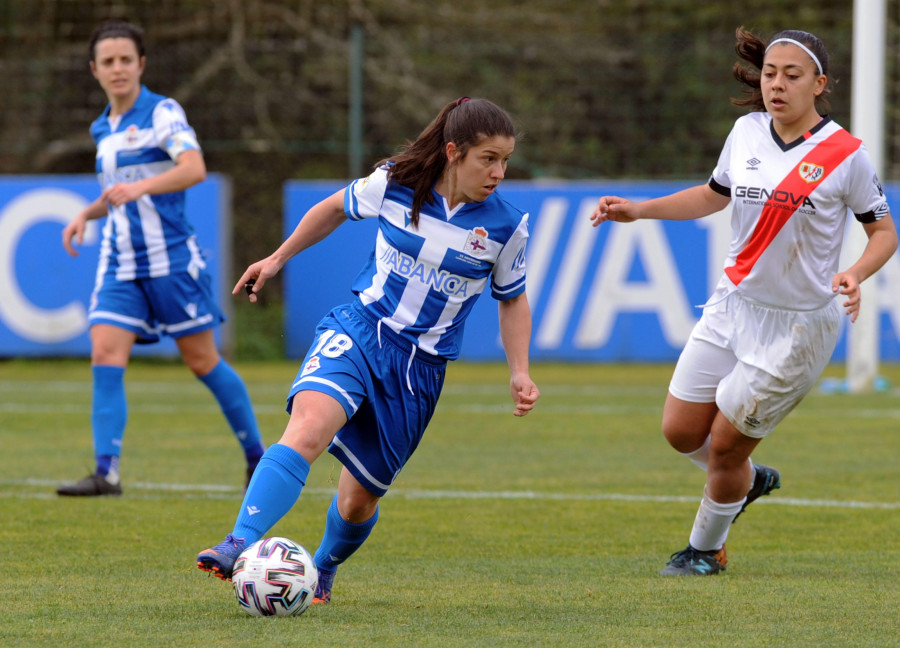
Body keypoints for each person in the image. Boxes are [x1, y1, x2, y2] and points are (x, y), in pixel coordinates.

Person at [197, 97, 540, 604]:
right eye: (488, 158)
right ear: (453, 152)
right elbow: (334, 208)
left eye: (505, 160)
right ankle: (238, 542)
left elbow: (512, 300)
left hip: (418, 372)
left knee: (358, 501)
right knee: (308, 428)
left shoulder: (508, 226)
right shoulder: (395, 182)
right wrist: (276, 259)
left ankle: (323, 566)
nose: (499, 172)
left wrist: (520, 371)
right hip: (361, 328)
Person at [591, 27, 897, 575]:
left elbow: (884, 234)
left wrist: (853, 274)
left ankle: (704, 550)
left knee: (727, 445)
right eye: (770, 74)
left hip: (798, 328)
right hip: (733, 305)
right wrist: (638, 210)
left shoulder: (846, 155)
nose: (775, 85)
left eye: (791, 75)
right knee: (681, 432)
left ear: (819, 84)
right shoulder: (746, 131)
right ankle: (747, 483)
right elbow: (712, 196)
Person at [56, 20, 265, 497]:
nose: (118, 68)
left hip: (171, 259)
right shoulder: (101, 127)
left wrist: (142, 186)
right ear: (94, 70)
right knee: (105, 353)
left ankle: (258, 458)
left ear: (141, 64)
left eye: (126, 59)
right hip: (120, 262)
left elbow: (194, 168)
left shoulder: (162, 112)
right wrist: (86, 215)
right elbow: (117, 193)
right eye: (107, 61)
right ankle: (106, 472)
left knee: (201, 361)